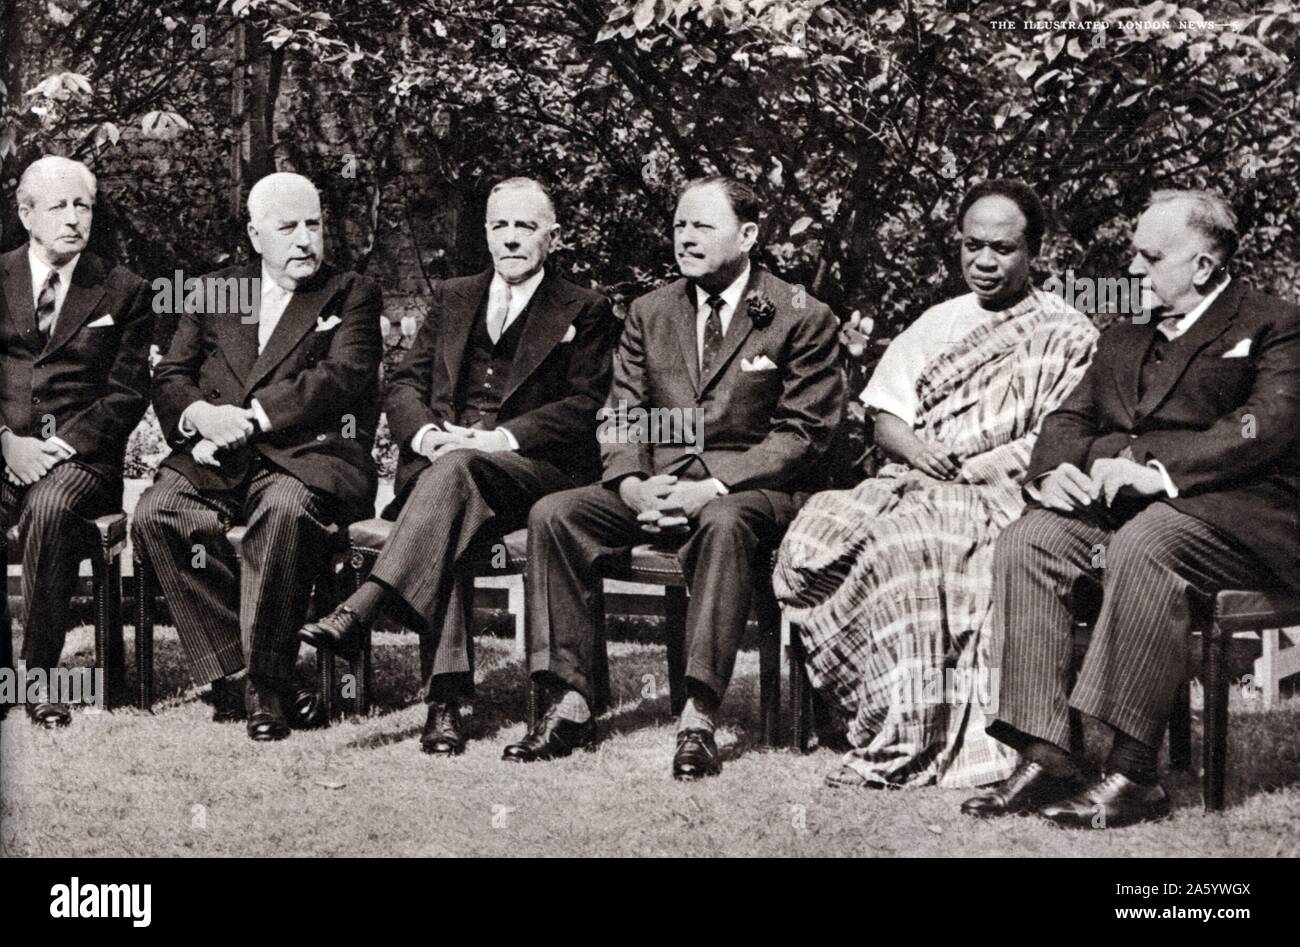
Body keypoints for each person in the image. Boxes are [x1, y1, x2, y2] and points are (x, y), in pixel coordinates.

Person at [963, 189, 1300, 827]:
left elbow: (1266, 427)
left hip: (1244, 520)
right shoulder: (1123, 336)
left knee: (1149, 542)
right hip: (1133, 514)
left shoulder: (1275, 324)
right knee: (1029, 539)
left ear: (1202, 265)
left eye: (1150, 258)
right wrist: (1054, 472)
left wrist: (1154, 472)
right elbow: (1070, 418)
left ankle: (1133, 770)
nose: (1134, 273)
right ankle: (1047, 753)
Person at [508, 174, 844, 779]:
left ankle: (698, 713)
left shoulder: (799, 313)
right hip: (657, 484)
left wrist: (709, 485)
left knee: (722, 520)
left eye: (702, 226)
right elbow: (620, 412)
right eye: (679, 225)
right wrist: (631, 481)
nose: (685, 239)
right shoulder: (649, 311)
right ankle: (573, 699)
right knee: (554, 514)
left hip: (750, 493)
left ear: (747, 235)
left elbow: (803, 435)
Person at [774, 180, 1098, 788]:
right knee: (818, 534)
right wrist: (920, 451)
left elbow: (1061, 437)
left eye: (1002, 248)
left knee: (910, 549)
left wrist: (978, 465)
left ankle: (911, 740)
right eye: (972, 246)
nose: (984, 261)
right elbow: (885, 415)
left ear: (1034, 253)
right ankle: (871, 708)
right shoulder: (936, 322)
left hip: (1007, 494)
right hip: (918, 478)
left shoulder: (1068, 332)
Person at [298, 177, 619, 756]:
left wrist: (501, 438)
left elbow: (585, 404)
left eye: (526, 226)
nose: (512, 239)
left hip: (533, 476)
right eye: (500, 226)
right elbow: (405, 382)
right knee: (448, 503)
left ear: (554, 236)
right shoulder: (453, 295)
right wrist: (424, 434)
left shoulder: (586, 308)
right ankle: (444, 705)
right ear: (487, 234)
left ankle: (369, 612)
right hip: (445, 470)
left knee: (453, 482)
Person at [132, 171, 383, 742]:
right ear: (254, 235)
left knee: (284, 516)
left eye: (313, 225)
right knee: (157, 515)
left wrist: (251, 417)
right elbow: (172, 374)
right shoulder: (217, 289)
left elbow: (343, 376)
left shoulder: (350, 292)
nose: (304, 240)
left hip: (306, 454)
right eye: (287, 227)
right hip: (218, 453)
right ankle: (239, 667)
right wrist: (199, 415)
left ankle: (267, 685)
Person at [0, 156, 153, 728]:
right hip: (4, 447)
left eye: (82, 205)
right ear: (25, 214)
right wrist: (7, 444)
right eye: (58, 206)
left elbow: (127, 392)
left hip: (81, 459)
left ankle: (37, 677)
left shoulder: (124, 290)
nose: (72, 218)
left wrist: (55, 448)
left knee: (51, 508)